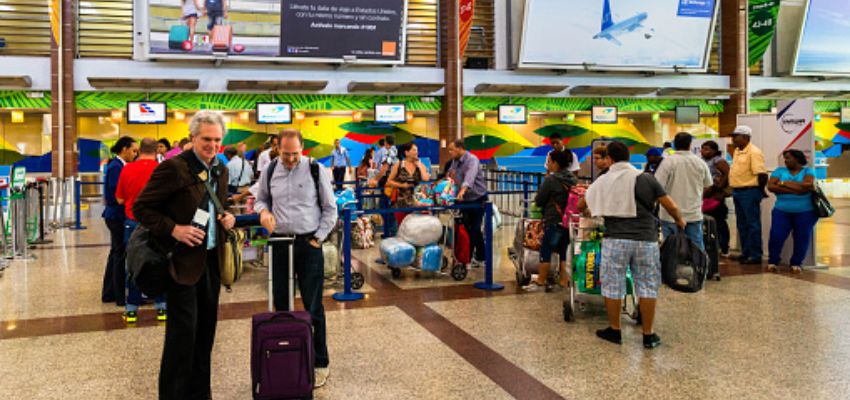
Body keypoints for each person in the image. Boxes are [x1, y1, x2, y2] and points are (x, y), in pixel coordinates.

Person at [133, 111, 235, 400]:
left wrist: (227, 217)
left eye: (217, 140)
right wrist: (175, 229)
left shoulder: (220, 169)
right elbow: (141, 208)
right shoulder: (174, 168)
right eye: (206, 139)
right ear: (193, 137)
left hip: (211, 262)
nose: (212, 145)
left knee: (205, 336)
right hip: (182, 264)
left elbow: (217, 204)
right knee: (182, 339)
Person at [579, 141, 685, 349]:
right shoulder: (645, 178)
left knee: (613, 285)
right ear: (628, 156)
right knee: (647, 285)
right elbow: (670, 205)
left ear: (609, 158)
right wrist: (680, 220)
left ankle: (615, 330)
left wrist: (598, 208)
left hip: (615, 240)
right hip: (646, 240)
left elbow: (581, 204)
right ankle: (648, 334)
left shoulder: (603, 180)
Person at [254, 129, 336, 389]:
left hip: (308, 243)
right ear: (277, 148)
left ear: (302, 149)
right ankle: (285, 358)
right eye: (286, 154)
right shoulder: (270, 170)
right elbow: (260, 200)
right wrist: (263, 212)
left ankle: (320, 362)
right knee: (281, 306)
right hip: (280, 243)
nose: (290, 159)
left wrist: (318, 238)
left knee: (313, 306)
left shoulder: (315, 169)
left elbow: (330, 208)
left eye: (295, 154)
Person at [115, 138, 167, 323]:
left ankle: (131, 310)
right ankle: (162, 308)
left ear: (139, 150)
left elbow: (119, 199)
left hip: (132, 223)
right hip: (157, 224)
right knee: (159, 262)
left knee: (133, 264)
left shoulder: (127, 168)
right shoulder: (162, 170)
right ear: (156, 151)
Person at [524, 150, 577, 291]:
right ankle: (564, 281)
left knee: (546, 249)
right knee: (564, 251)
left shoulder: (551, 180)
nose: (547, 164)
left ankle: (541, 280)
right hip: (568, 221)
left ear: (555, 163)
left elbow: (539, 200)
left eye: (549, 161)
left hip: (554, 219)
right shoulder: (572, 178)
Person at [654, 132, 713, 249]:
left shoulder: (667, 162)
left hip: (669, 216)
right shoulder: (700, 162)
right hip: (693, 214)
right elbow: (708, 185)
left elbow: (657, 186)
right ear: (690, 144)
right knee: (696, 249)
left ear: (674, 145)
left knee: (671, 250)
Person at [767, 150, 817, 274]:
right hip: (781, 211)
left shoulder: (808, 171)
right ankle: (773, 261)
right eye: (785, 158)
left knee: (801, 238)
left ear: (797, 159)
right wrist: (797, 189)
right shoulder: (779, 171)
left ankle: (796, 263)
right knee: (776, 236)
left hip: (805, 212)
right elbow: (771, 187)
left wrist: (783, 183)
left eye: (788, 158)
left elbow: (807, 185)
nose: (785, 161)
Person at [101, 136, 137, 306]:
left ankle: (109, 292)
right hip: (116, 216)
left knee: (115, 254)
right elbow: (117, 195)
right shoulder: (116, 167)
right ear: (124, 149)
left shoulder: (119, 165)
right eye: (133, 150)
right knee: (120, 255)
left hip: (114, 215)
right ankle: (120, 296)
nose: (135, 154)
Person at [729, 125, 768, 265]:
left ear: (745, 137)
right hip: (738, 190)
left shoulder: (754, 152)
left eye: (736, 136)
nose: (733, 139)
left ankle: (755, 255)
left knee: (752, 224)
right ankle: (746, 252)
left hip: (750, 191)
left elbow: (762, 174)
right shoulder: (737, 151)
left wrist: (760, 191)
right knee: (742, 224)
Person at [448, 139, 489, 266]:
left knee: (474, 229)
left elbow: (469, 178)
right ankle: (481, 257)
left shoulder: (472, 160)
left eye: (451, 149)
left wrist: (463, 190)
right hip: (464, 200)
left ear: (459, 148)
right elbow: (450, 174)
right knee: (467, 228)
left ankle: (468, 259)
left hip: (477, 198)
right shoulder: (455, 161)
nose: (450, 152)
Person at [387, 142, 430, 226]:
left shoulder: (420, 165)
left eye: (417, 150)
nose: (416, 152)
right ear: (406, 153)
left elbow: (426, 178)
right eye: (414, 150)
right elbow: (389, 181)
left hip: (416, 202)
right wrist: (402, 185)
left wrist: (419, 165)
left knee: (415, 227)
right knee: (402, 227)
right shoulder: (399, 165)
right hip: (400, 202)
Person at [701, 140, 731, 256]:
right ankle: (711, 246)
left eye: (707, 149)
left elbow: (727, 174)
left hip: (715, 196)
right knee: (707, 222)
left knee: (719, 222)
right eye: (703, 149)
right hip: (705, 196)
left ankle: (724, 247)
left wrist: (719, 187)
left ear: (714, 151)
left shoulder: (718, 161)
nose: (704, 151)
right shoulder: (702, 161)